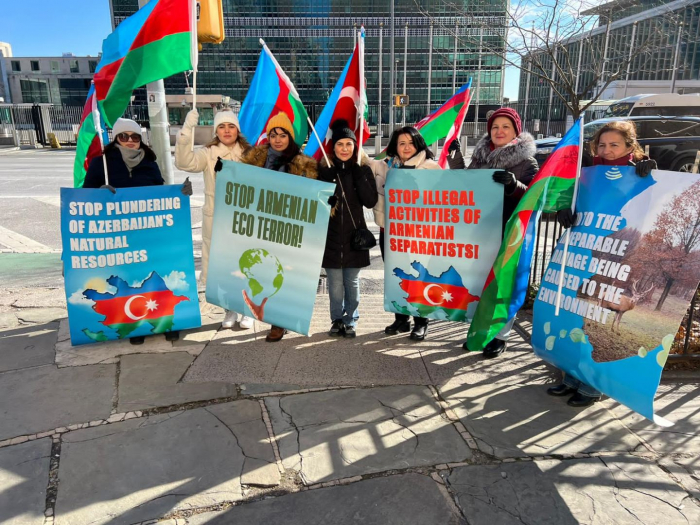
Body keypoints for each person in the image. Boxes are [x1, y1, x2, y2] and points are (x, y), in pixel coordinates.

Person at [550, 119, 656, 408]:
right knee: (576, 314)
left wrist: (649, 171)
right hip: (584, 254)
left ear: (629, 146)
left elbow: (649, 205)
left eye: (615, 145)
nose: (607, 150)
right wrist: (563, 209)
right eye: (602, 145)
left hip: (614, 255)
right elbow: (568, 197)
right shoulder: (587, 173)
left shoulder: (641, 171)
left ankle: (592, 384)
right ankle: (572, 375)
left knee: (595, 319)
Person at [84, 117, 193, 345]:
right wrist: (99, 193)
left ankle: (165, 322)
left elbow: (162, 193)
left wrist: (181, 193)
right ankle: (136, 325)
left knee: (156, 277)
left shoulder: (149, 162)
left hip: (150, 232)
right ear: (116, 138)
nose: (130, 141)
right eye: (124, 136)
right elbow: (85, 197)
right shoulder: (101, 163)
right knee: (131, 278)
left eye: (135, 137)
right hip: (122, 234)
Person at [463, 107, 539, 358]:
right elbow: (464, 187)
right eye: (495, 127)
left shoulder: (527, 162)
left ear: (516, 131)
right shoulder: (480, 158)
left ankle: (500, 336)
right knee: (479, 284)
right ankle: (479, 332)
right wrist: (454, 160)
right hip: (480, 230)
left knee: (502, 286)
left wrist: (513, 185)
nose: (499, 131)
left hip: (508, 233)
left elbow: (534, 197)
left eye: (505, 126)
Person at [240, 112, 318, 342]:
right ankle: (268, 313)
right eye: (273, 134)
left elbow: (312, 196)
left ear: (290, 138)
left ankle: (280, 322)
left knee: (284, 274)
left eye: (283, 134)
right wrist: (223, 173)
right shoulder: (253, 160)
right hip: (260, 226)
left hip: (288, 228)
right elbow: (240, 185)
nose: (277, 139)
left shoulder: (304, 164)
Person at [174, 109, 255, 330]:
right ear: (216, 131)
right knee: (223, 265)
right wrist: (187, 130)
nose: (226, 131)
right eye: (221, 127)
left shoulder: (250, 153)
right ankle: (229, 308)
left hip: (242, 219)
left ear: (237, 130)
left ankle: (247, 309)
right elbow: (184, 162)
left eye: (230, 126)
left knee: (245, 263)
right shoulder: (208, 153)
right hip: (217, 218)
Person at [365, 126, 442, 341]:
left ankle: (421, 321)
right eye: (401, 143)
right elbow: (362, 161)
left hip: (419, 234)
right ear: (394, 146)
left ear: (418, 144)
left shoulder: (431, 168)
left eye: (410, 142)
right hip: (390, 231)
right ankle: (401, 318)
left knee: (418, 275)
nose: (406, 147)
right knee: (395, 274)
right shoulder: (385, 166)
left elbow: (445, 199)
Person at [318, 120, 378, 338]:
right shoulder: (324, 170)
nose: (344, 149)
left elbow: (370, 201)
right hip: (330, 237)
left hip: (355, 238)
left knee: (351, 282)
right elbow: (314, 203)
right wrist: (326, 199)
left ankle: (351, 319)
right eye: (340, 144)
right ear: (333, 147)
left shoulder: (362, 170)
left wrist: (360, 172)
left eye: (348, 144)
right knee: (334, 283)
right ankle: (336, 319)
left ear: (355, 146)